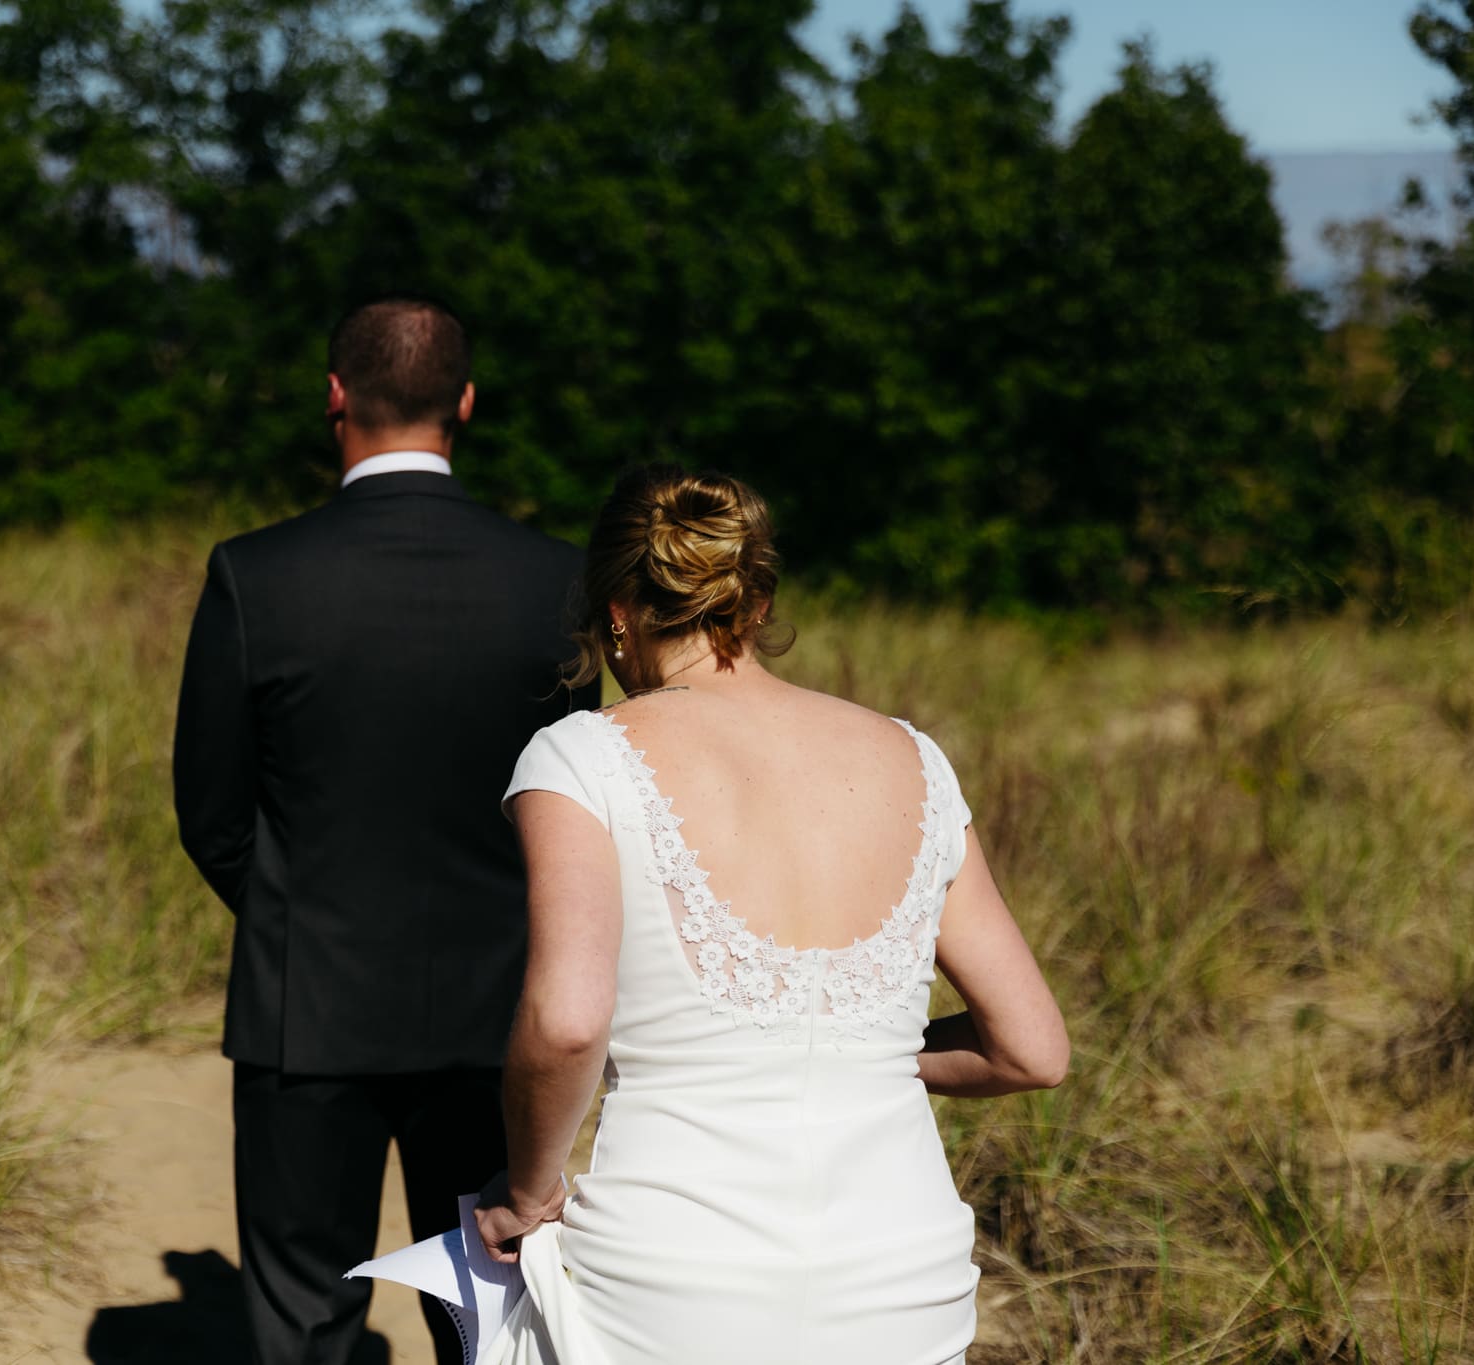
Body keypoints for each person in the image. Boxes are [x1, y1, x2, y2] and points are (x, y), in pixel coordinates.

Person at [473, 466, 1068, 1365]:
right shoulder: (912, 757)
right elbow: (1032, 1046)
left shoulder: (581, 758)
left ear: (617, 612)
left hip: (677, 1281)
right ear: (751, 606)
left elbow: (565, 1021)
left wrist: (526, 1191)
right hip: (903, 1280)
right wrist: (845, 1044)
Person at [173, 295, 599, 1365]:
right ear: (464, 402)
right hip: (497, 1013)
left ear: (333, 399)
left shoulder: (253, 574)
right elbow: (581, 814)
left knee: (301, 1310)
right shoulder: (552, 581)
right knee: (486, 1313)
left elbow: (210, 813)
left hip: (301, 1007)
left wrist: (295, 914)